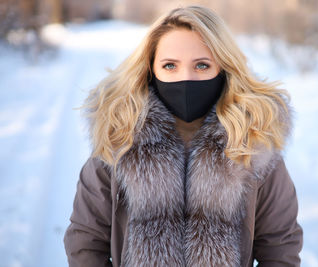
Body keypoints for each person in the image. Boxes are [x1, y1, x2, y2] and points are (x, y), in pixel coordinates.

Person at [63, 5, 303, 267]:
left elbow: (280, 248)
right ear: (150, 69)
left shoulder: (254, 148)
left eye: (202, 65)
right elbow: (85, 243)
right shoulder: (118, 143)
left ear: (223, 68)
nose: (186, 78)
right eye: (170, 66)